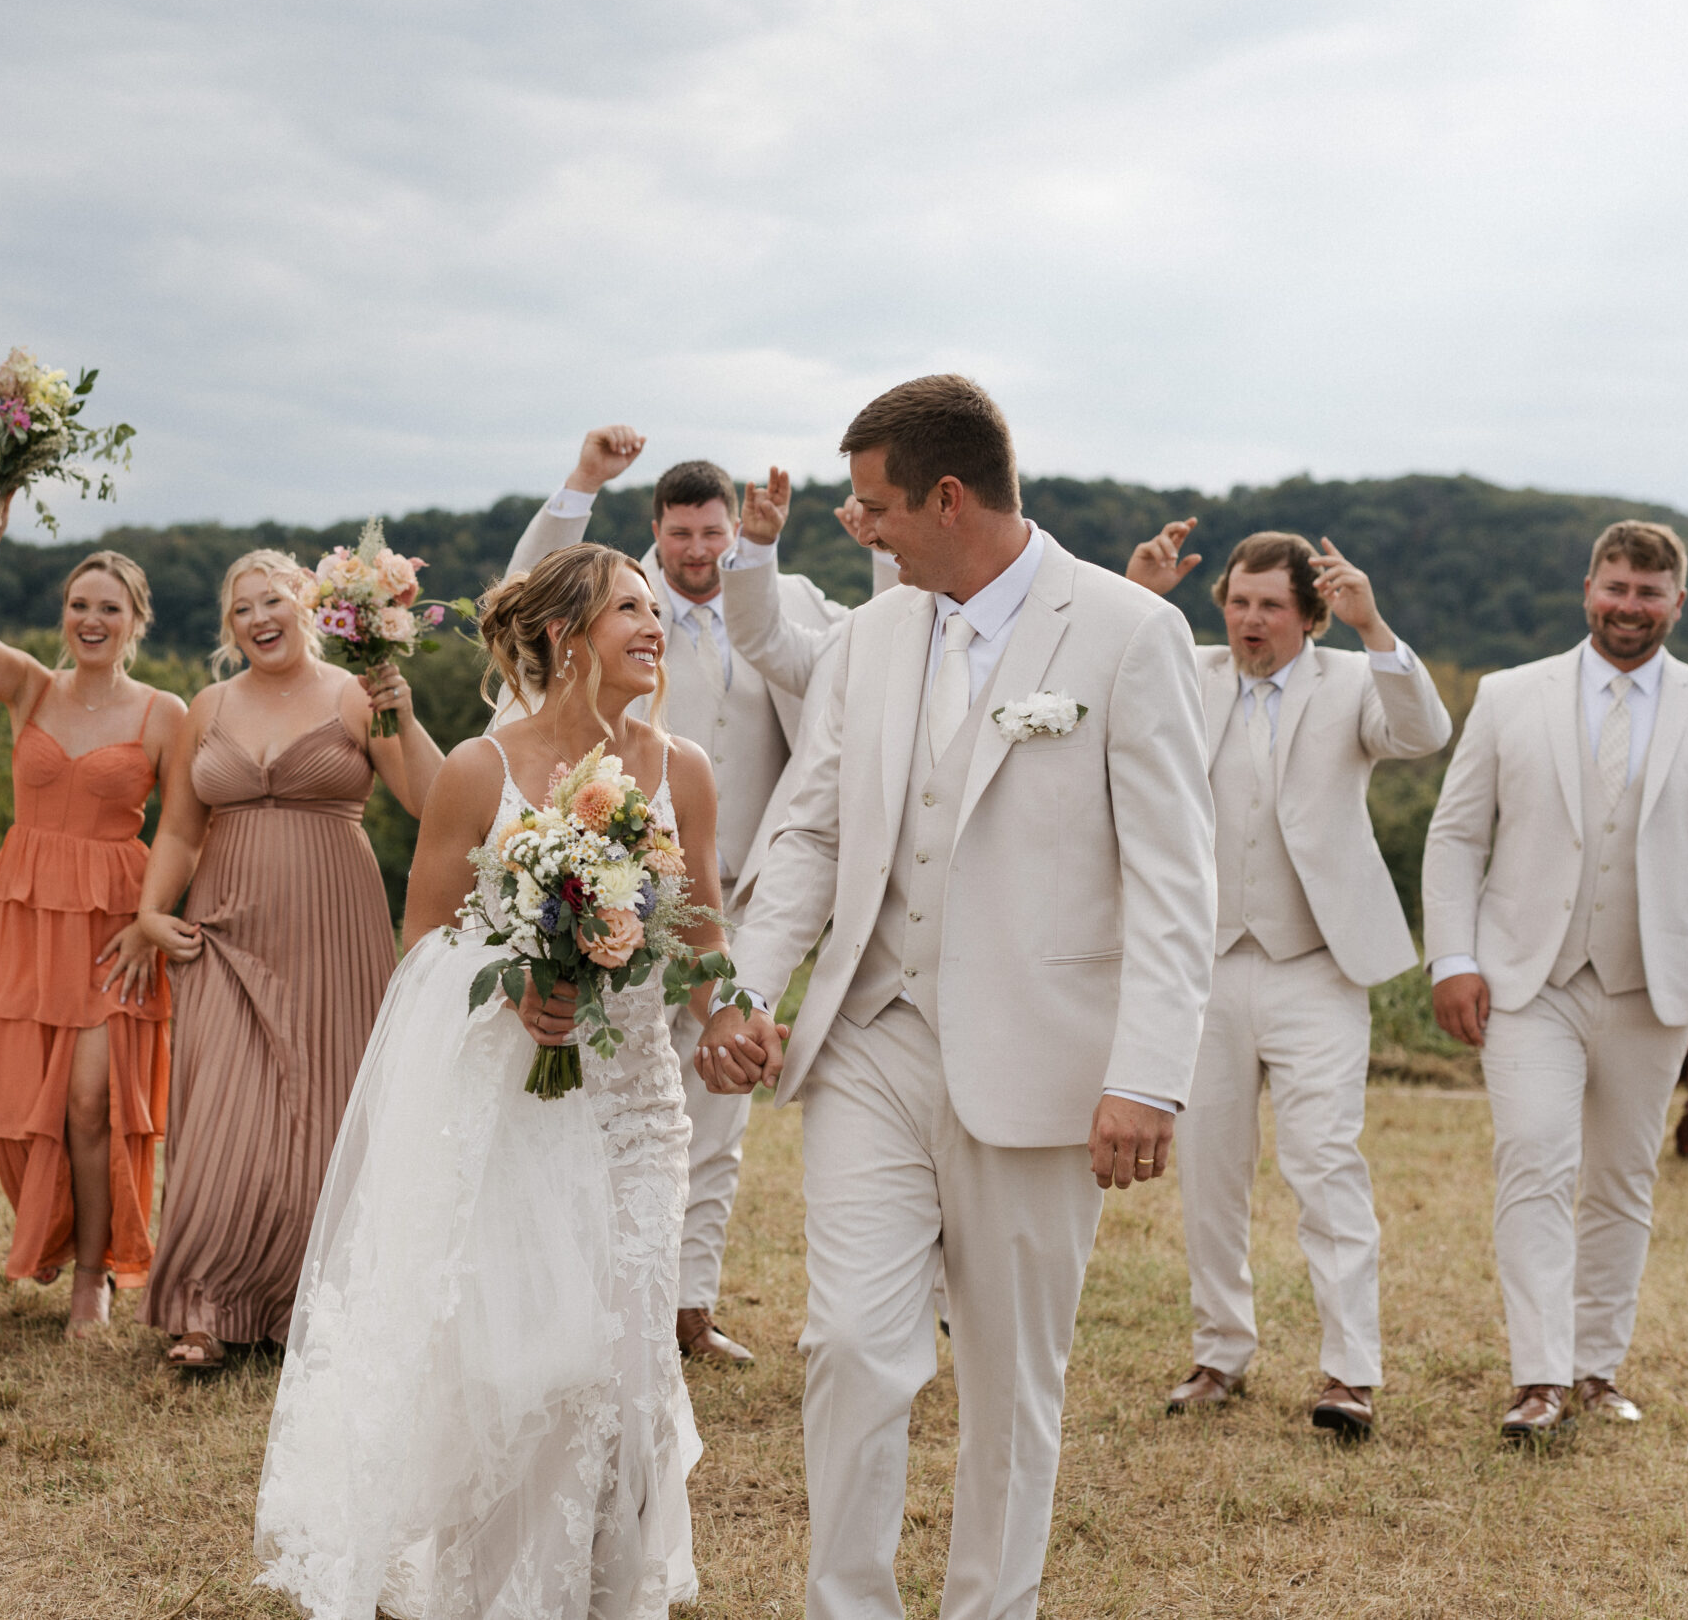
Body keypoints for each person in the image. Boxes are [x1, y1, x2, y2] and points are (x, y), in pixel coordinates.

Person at [700, 374, 1214, 1620]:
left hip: (1039, 1064)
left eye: (874, 506)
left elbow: (1173, 879)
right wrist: (747, 987)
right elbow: (812, 828)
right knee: (849, 1352)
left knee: (1010, 1383)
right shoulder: (873, 636)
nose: (857, 527)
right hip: (868, 1041)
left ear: (945, 495)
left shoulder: (1123, 632)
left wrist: (1145, 1075)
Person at [257, 542, 742, 1618]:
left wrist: (733, 1016)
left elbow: (703, 938)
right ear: (568, 634)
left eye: (656, 609)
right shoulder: (481, 772)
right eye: (630, 607)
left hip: (639, 1114)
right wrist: (517, 980)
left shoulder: (685, 771)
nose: (654, 626)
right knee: (525, 1371)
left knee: (621, 1379)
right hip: (516, 1110)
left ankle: (603, 1594)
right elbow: (424, 943)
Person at [504, 428, 892, 1364]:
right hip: (615, 893)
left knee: (715, 1112)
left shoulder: (787, 601)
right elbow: (525, 593)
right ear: (656, 532)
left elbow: (885, 663)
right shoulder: (609, 600)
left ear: (734, 531)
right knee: (613, 1095)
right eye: (680, 535)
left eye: (713, 533)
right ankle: (590, 1291)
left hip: (748, 890)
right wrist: (582, 482)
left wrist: (880, 551)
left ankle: (689, 1305)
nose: (698, 552)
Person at [1422, 519, 1688, 1441]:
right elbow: (1458, 834)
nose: (1630, 607)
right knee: (1536, 1161)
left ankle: (1594, 1367)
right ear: (1589, 587)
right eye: (1616, 587)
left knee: (1623, 1180)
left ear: (1677, 602)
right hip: (1526, 978)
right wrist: (1454, 957)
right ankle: (1536, 1379)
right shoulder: (1509, 696)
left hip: (1651, 986)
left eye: (1649, 592)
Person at [1126, 520, 1451, 1438]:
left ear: (1309, 615)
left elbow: (1425, 732)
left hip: (1318, 966)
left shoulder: (1351, 680)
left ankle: (1350, 1372)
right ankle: (1219, 1351)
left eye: (1271, 605)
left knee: (1325, 1163)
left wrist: (1375, 627)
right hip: (1208, 965)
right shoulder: (1187, 674)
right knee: (1210, 1170)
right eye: (1237, 601)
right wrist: (1141, 594)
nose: (1250, 620)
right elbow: (1093, 688)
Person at [132, 549, 442, 1368]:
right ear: (229, 626)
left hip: (332, 930)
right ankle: (207, 1306)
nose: (260, 618)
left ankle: (318, 1307)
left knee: (327, 1117)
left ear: (307, 606)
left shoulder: (353, 695)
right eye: (242, 609)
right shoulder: (209, 704)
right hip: (224, 930)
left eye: (273, 600)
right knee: (220, 1118)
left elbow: (429, 800)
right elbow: (179, 827)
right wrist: (150, 910)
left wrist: (399, 714)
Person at [0, 483, 187, 1335]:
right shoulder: (31, 690)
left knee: (93, 1103)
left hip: (115, 926)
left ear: (135, 619)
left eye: (109, 607)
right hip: (27, 911)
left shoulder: (165, 713)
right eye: (80, 604)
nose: (92, 618)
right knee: (22, 1108)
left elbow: (188, 828)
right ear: (65, 615)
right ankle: (52, 1235)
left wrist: (150, 918)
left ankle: (96, 1273)